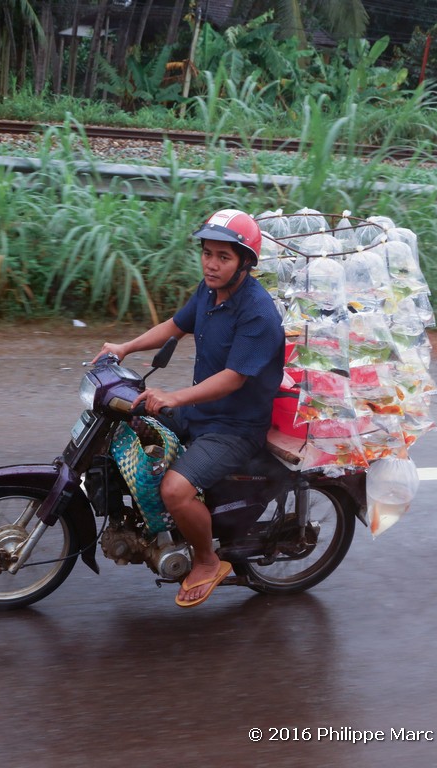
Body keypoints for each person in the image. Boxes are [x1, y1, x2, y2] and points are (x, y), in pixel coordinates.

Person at [98, 209, 285, 607]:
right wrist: (125, 347)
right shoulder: (209, 290)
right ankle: (156, 527)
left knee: (176, 489)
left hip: (235, 426)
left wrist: (176, 396)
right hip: (203, 411)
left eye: (224, 257)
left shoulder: (258, 312)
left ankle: (206, 560)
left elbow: (234, 378)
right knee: (128, 419)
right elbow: (174, 326)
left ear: (245, 263)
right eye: (208, 253)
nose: (212, 264)